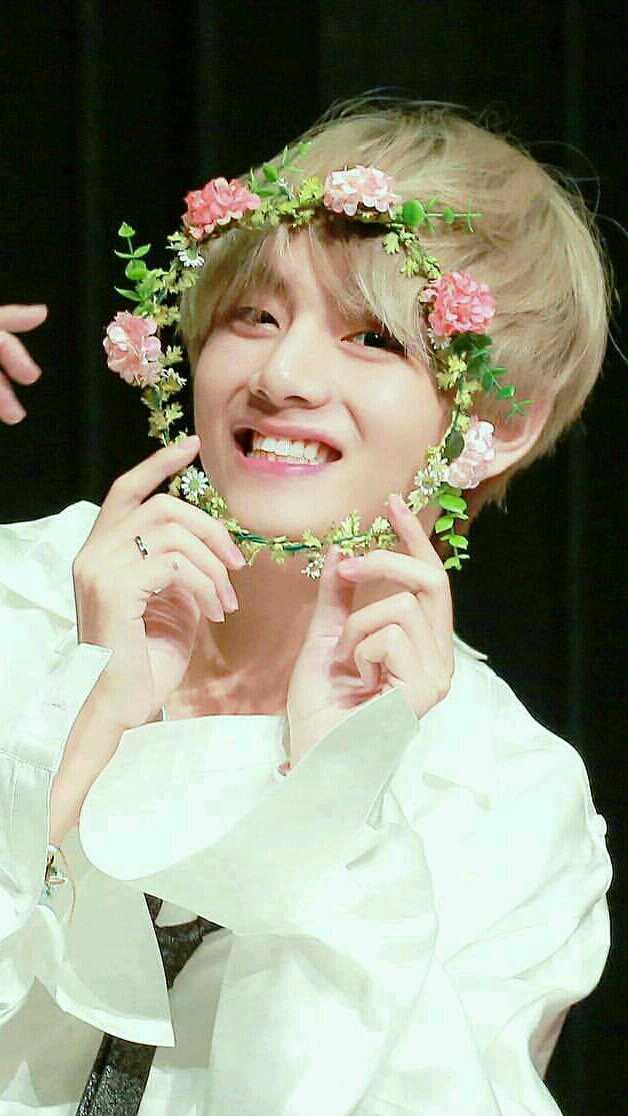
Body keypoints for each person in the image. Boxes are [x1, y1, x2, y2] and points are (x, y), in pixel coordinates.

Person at [0, 100, 612, 1115]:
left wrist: (333, 800)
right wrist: (84, 727)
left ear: (498, 422)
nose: (281, 376)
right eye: (254, 315)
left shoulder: (503, 797)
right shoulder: (24, 602)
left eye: (372, 338)